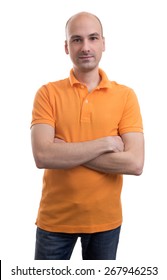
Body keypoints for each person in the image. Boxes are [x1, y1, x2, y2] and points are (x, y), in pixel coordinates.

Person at [31, 11, 144, 260]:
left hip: (106, 222)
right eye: (77, 39)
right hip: (54, 222)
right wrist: (105, 143)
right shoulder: (47, 94)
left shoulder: (125, 96)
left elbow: (135, 163)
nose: (85, 47)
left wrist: (65, 150)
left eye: (93, 38)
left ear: (103, 43)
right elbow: (42, 156)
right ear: (66, 46)